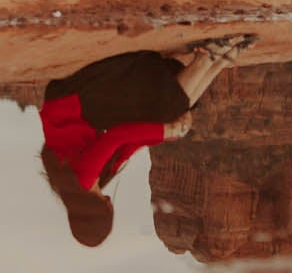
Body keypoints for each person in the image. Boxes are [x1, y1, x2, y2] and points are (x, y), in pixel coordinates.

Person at [38, 37, 254, 247]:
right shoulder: (90, 182)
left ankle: (211, 57)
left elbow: (116, 136)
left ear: (105, 212)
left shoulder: (83, 180)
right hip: (85, 110)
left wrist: (165, 130)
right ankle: (218, 61)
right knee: (168, 113)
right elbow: (129, 146)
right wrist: (171, 134)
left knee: (165, 112)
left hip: (71, 101)